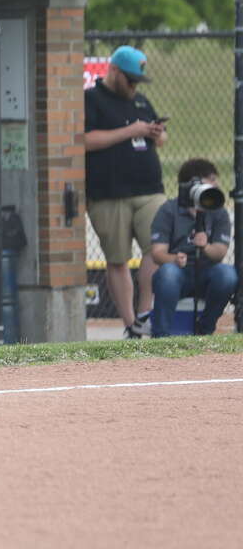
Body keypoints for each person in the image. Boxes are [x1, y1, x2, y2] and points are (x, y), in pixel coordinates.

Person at [85, 45, 166, 338]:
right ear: (114, 71)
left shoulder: (141, 102)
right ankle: (131, 325)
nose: (134, 86)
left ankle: (145, 313)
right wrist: (130, 132)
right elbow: (84, 140)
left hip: (149, 190)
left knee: (158, 250)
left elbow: (161, 138)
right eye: (130, 80)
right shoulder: (92, 99)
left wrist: (157, 134)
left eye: (137, 81)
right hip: (108, 194)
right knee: (118, 260)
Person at [149, 159, 236, 336]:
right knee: (167, 273)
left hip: (206, 273)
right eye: (211, 179)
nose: (216, 184)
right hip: (178, 273)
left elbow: (220, 252)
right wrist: (174, 259)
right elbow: (157, 253)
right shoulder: (169, 210)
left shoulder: (218, 211)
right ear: (192, 183)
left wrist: (205, 246)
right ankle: (160, 337)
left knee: (227, 274)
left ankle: (205, 330)